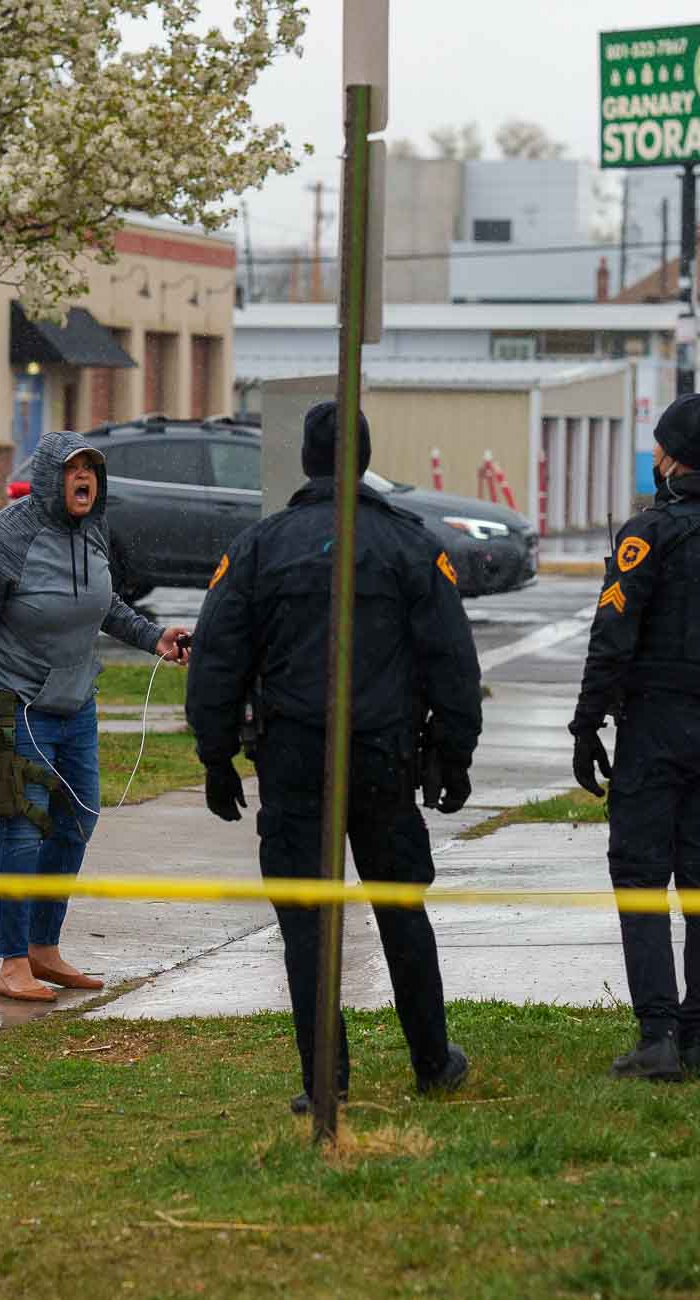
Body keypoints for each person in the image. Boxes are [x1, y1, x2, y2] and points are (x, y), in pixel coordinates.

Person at [185, 401, 482, 1113]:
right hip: (384, 758)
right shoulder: (411, 545)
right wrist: (454, 751)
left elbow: (217, 657)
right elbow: (452, 659)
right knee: (399, 908)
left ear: (308, 462)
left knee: (307, 923)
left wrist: (216, 753)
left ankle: (326, 1081)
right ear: (365, 458)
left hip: (293, 760)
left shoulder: (262, 545)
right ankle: (433, 1062)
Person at [0, 432, 188, 1003]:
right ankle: (11, 963)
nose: (83, 477)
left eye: (90, 468)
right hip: (8, 705)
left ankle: (43, 948)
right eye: (72, 469)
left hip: (74, 705)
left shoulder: (92, 532)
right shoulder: (6, 539)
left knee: (76, 822)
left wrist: (152, 636)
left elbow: (101, 603)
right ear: (48, 478)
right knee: (21, 829)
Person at [569, 393, 700, 1083]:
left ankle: (657, 1035)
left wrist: (587, 720)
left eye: (659, 446)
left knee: (639, 876)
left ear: (672, 455)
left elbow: (613, 633)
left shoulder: (652, 531)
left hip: (657, 727)